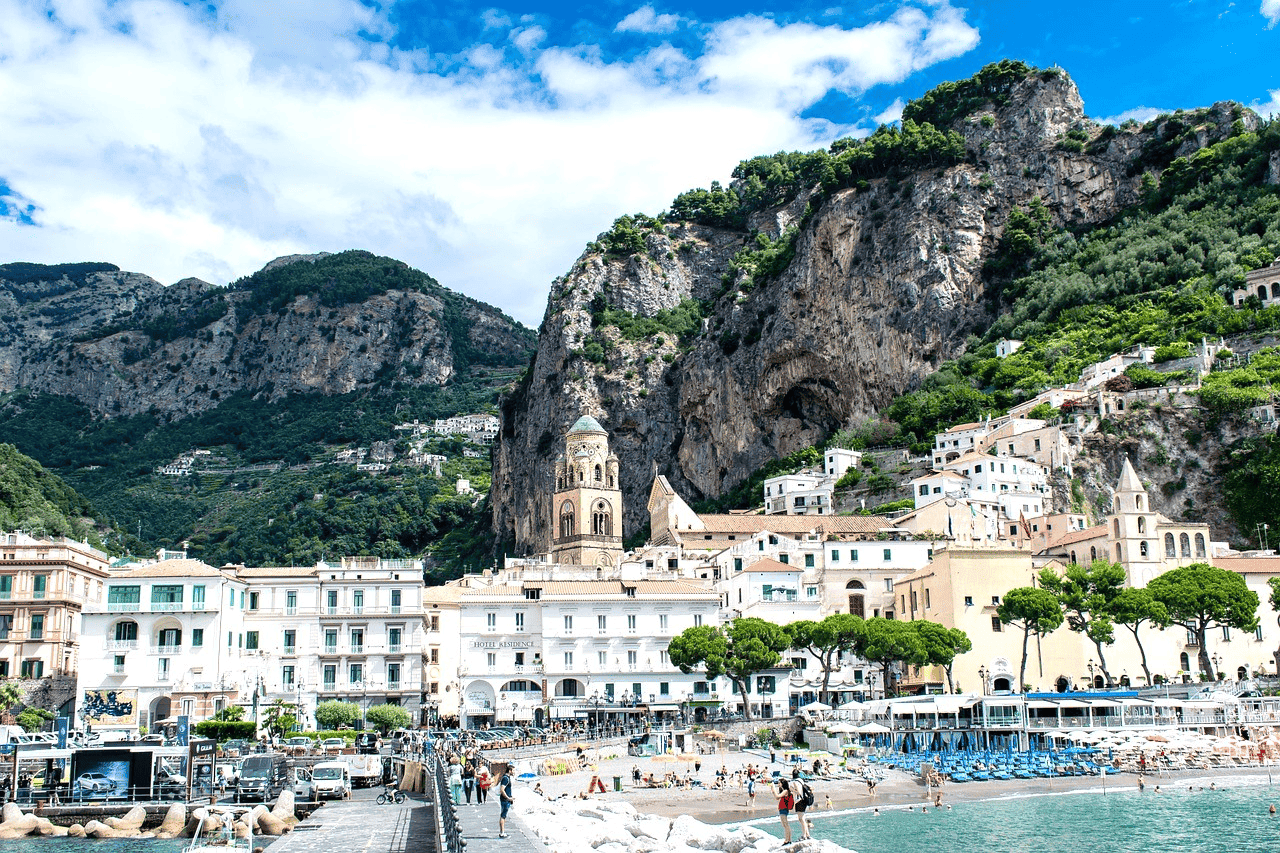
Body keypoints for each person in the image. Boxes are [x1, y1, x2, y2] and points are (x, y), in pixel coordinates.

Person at [774, 778, 794, 845]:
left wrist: (773, 788)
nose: (778, 784)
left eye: (779, 783)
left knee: (786, 825)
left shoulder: (785, 791)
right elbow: (777, 798)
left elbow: (777, 796)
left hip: (784, 809)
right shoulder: (783, 791)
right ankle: (788, 839)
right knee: (784, 824)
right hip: (782, 809)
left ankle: (788, 840)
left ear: (783, 784)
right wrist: (773, 790)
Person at [498, 768, 514, 839]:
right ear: (510, 770)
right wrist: (508, 798)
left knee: (504, 815)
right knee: (503, 816)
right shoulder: (506, 778)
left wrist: (510, 798)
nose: (514, 772)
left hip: (506, 799)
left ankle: (503, 832)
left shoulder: (507, 778)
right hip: (505, 800)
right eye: (513, 770)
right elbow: (502, 790)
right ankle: (502, 833)